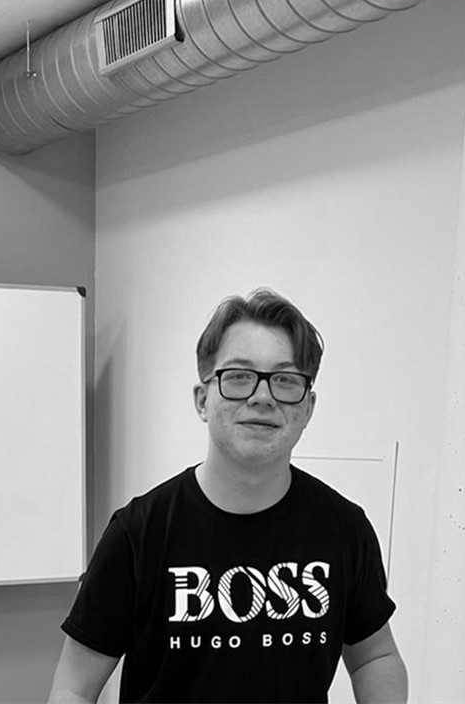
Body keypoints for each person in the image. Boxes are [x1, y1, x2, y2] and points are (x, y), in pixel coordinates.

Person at [48, 288, 407, 703]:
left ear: (307, 408)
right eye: (239, 376)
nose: (262, 397)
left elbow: (375, 655)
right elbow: (74, 687)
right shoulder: (137, 533)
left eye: (285, 380)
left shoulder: (345, 529)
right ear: (203, 400)